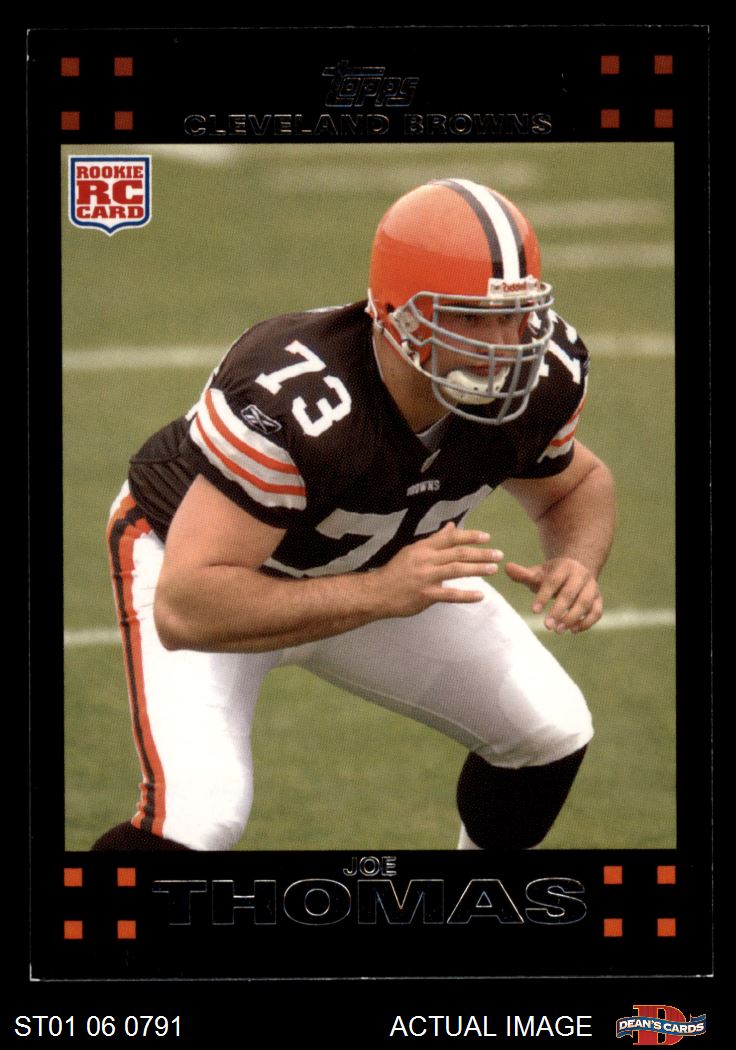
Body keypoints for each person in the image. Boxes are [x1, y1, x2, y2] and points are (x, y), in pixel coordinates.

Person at [93, 177, 615, 852]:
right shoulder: (296, 398)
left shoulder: (542, 377)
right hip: (203, 569)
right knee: (199, 820)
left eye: (514, 313)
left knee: (549, 731)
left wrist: (575, 559)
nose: (502, 342)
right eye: (468, 316)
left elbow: (576, 485)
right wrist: (379, 592)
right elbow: (187, 607)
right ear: (396, 314)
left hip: (380, 573)